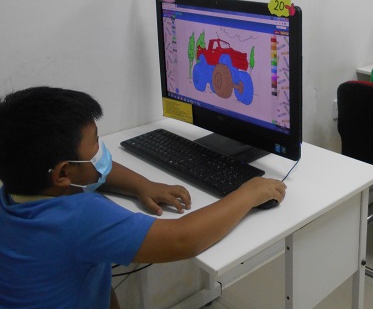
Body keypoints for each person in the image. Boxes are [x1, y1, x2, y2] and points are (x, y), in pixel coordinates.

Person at [0, 86, 286, 309]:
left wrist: (142, 185)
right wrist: (248, 193)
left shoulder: (15, 194)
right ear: (63, 173)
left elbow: (89, 172)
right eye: (95, 142)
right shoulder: (78, 218)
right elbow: (183, 239)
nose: (101, 150)